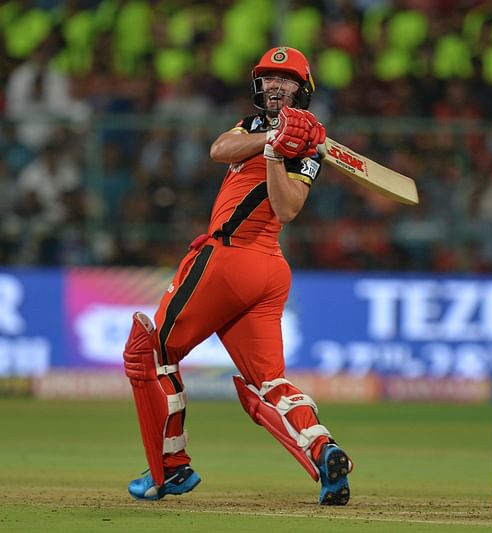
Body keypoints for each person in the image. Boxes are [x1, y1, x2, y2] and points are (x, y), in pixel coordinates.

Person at [122, 46, 353, 505]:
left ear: (302, 90)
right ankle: (324, 452)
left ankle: (170, 468)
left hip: (231, 258)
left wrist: (279, 153)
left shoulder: (309, 150)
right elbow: (218, 149)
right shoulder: (252, 127)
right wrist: (270, 140)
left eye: (285, 80)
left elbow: (286, 208)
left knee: (150, 353)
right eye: (268, 78)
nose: (274, 86)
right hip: (266, 273)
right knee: (266, 383)